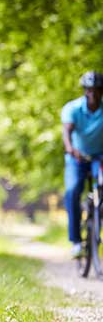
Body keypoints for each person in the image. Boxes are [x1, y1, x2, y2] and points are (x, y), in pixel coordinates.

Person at [61, 71, 103, 258]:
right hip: (77, 157)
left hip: (99, 157)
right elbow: (67, 133)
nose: (93, 94)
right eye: (89, 90)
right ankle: (76, 242)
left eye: (97, 90)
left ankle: (97, 221)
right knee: (72, 191)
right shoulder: (73, 108)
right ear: (85, 91)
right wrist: (71, 149)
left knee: (100, 188)